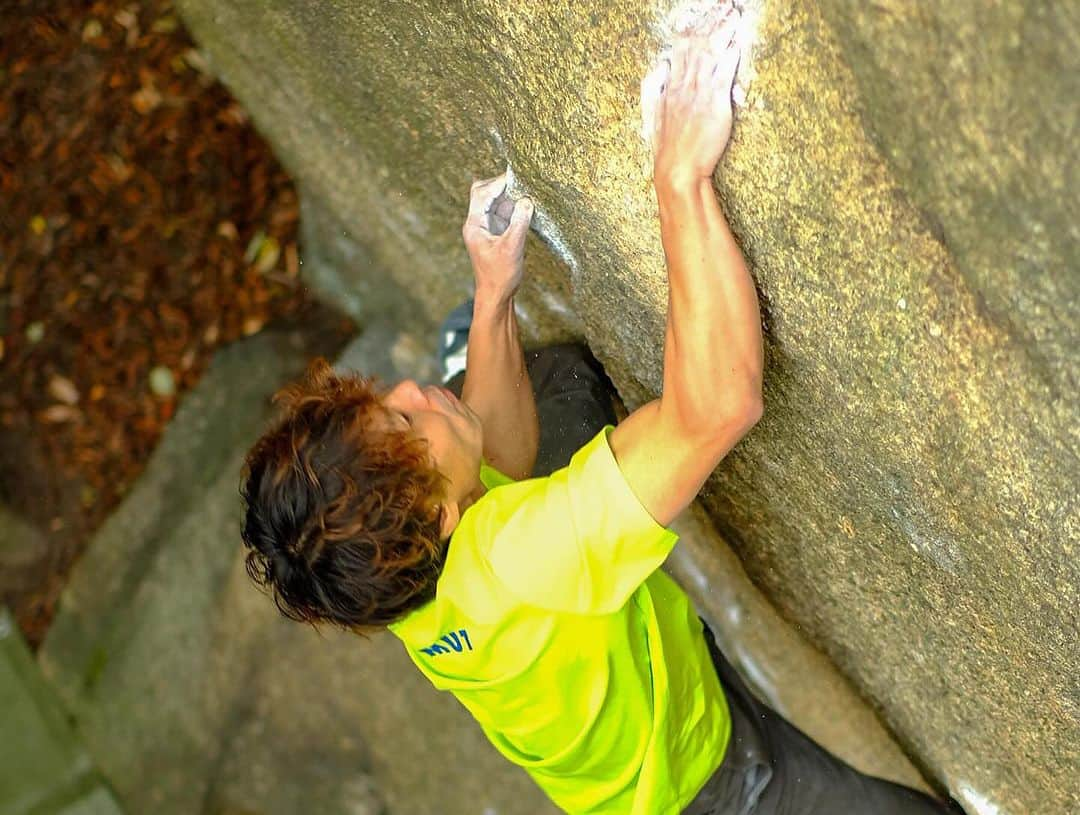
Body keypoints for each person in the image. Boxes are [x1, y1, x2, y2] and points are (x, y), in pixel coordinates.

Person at [238, 15, 961, 815]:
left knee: (552, 385)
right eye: (407, 426)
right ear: (443, 517)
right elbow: (720, 402)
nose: (409, 392)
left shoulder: (387, 578)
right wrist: (679, 177)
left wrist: (494, 292)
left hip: (614, 681)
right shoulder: (522, 560)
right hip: (707, 781)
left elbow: (499, 469)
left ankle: (476, 382)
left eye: (385, 400)